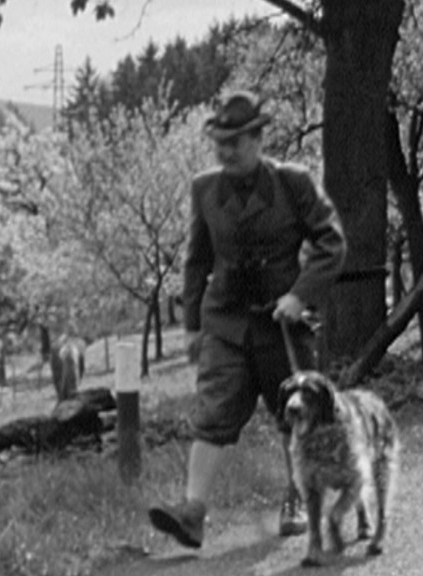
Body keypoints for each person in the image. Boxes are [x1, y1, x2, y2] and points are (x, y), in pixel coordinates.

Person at [148, 91, 347, 548]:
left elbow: (331, 243)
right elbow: (197, 260)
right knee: (213, 409)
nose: (226, 150)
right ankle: (193, 513)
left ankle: (298, 495)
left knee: (294, 414)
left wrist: (300, 295)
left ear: (259, 138)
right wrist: (194, 326)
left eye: (236, 141)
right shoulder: (204, 189)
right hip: (226, 322)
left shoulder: (293, 183)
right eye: (220, 140)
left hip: (281, 323)